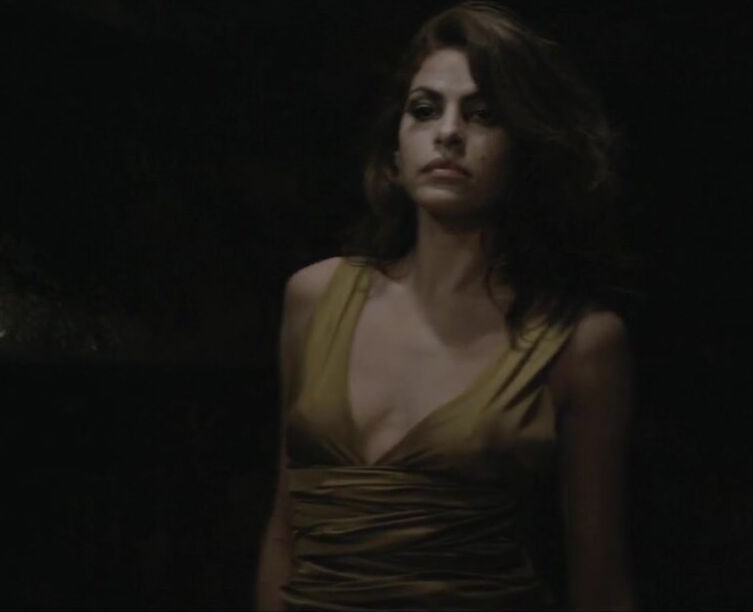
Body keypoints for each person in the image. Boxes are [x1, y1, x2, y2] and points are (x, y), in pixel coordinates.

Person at [256, 2, 640, 609]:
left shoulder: (581, 341)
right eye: (424, 109)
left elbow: (600, 580)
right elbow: (286, 528)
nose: (449, 133)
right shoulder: (315, 296)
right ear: (394, 149)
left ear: (526, 149)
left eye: (483, 114)